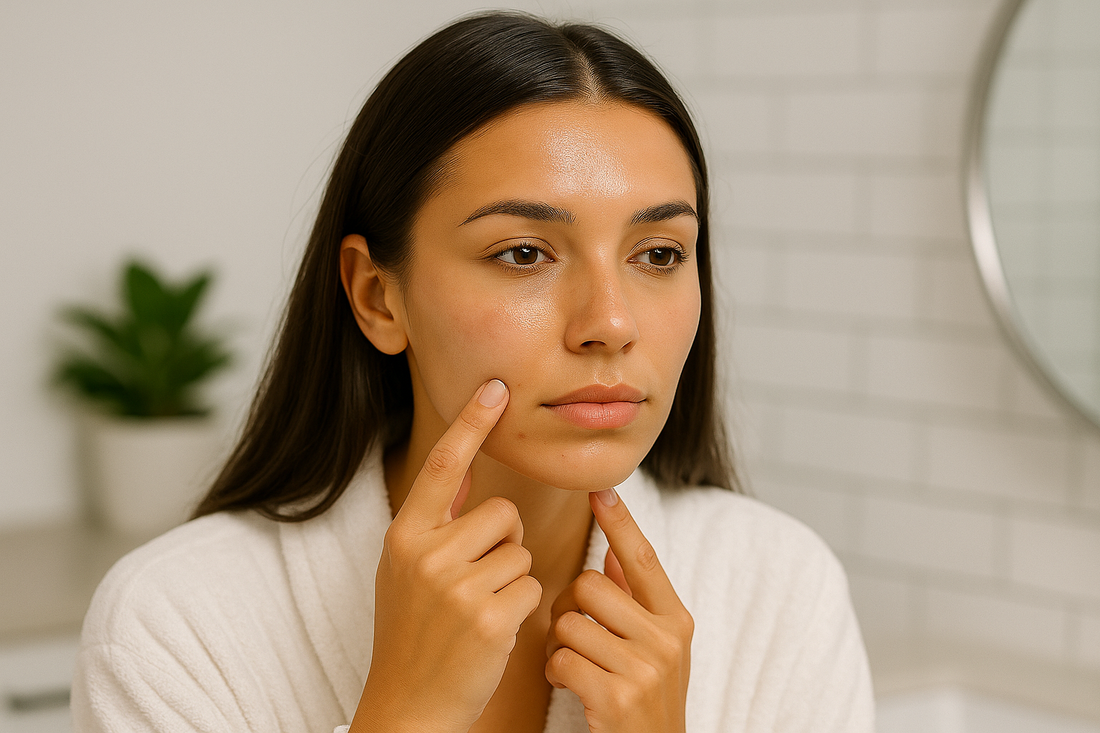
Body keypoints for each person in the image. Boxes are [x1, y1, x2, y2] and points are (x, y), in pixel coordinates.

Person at [71, 11, 874, 733]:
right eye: (524, 253)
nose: (611, 323)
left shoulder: (782, 590)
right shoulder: (175, 623)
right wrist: (405, 714)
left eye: (659, 253)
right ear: (377, 296)